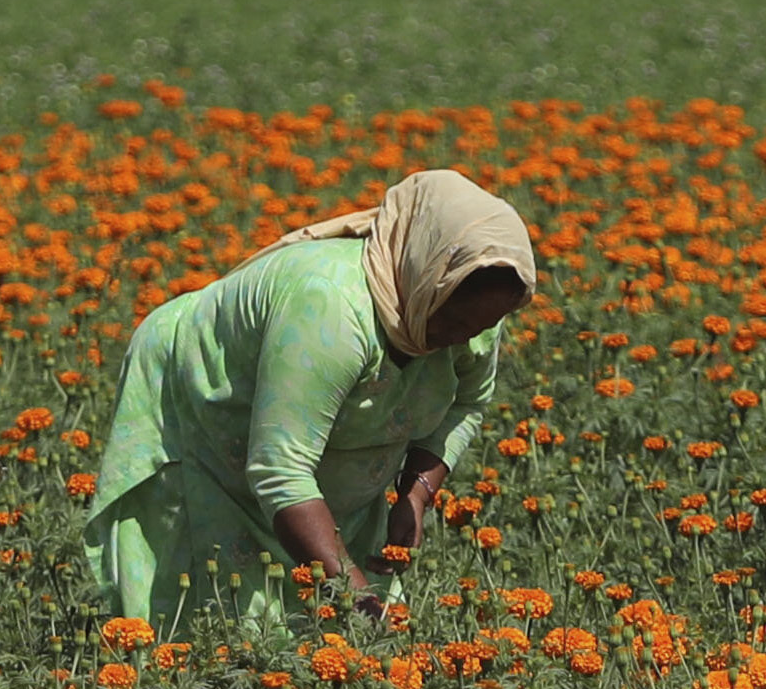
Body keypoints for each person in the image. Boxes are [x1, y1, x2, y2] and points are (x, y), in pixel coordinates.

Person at [86, 171, 536, 640]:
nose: (466, 338)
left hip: (312, 458)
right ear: (427, 272)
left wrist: (416, 494)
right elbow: (280, 469)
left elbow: (467, 403)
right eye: (458, 321)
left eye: (487, 323)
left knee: (319, 630)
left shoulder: (469, 299)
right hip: (201, 412)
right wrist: (355, 598)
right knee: (203, 627)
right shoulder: (331, 308)